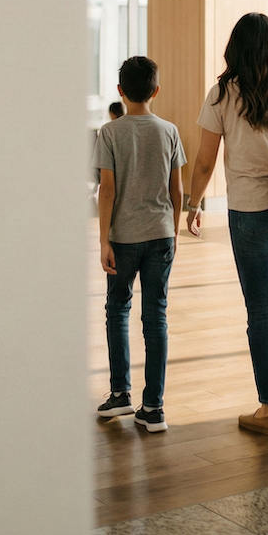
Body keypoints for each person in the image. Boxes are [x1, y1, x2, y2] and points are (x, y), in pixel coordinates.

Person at [186, 13, 268, 437]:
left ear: (235, 48)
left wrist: (194, 203)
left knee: (260, 308)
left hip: (249, 214)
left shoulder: (223, 93)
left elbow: (205, 160)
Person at [94, 56, 186, 433]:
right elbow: (176, 189)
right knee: (156, 317)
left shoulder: (110, 132)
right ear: (156, 90)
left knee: (118, 310)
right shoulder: (169, 131)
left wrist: (103, 240)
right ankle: (154, 407)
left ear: (120, 91)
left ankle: (121, 395)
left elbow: (107, 191)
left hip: (124, 236)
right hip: (161, 233)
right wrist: (175, 231)